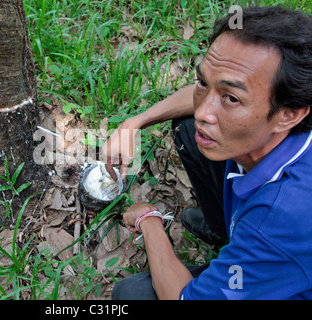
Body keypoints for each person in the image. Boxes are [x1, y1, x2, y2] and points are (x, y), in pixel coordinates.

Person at [103, 6, 312, 300]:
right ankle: (223, 230)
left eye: (231, 98)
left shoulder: (280, 219)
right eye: (204, 82)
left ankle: (240, 244)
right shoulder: (289, 117)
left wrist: (148, 221)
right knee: (190, 127)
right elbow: (209, 94)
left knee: (133, 294)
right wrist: (134, 123)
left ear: (288, 115)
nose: (203, 111)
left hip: (280, 268)